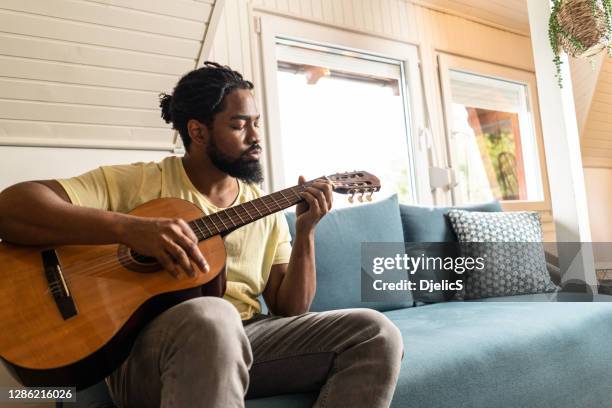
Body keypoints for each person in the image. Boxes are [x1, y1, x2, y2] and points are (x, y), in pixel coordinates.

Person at [0, 62, 403, 407]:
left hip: (247, 340)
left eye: (256, 124)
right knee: (214, 315)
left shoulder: (261, 207)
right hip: (145, 353)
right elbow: (14, 207)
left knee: (376, 332)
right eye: (239, 125)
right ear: (198, 131)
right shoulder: (139, 182)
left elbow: (292, 307)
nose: (255, 137)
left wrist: (306, 232)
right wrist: (131, 228)